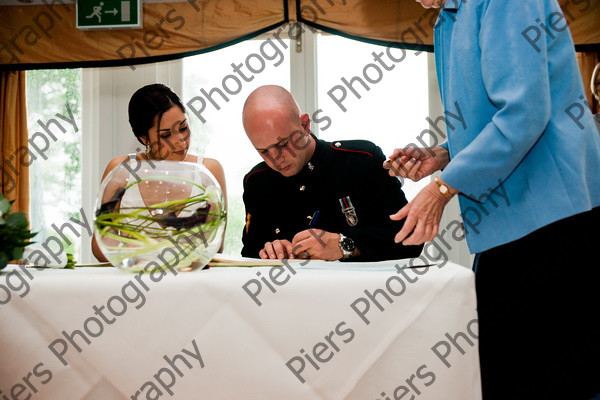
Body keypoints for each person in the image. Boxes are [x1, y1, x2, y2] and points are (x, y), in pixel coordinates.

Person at [384, 1, 600, 399]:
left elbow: (523, 114)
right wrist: (444, 155)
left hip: (552, 216)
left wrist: (442, 189)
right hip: (508, 222)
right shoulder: (449, 18)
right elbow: (491, 119)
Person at [241, 85, 422, 261]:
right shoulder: (256, 182)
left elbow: (411, 238)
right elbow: (249, 255)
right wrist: (269, 251)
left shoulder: (361, 160)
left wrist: (346, 246)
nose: (276, 159)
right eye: (263, 151)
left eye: (283, 145)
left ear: (304, 125)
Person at [92, 83, 227, 262]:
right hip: (131, 280)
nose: (180, 141)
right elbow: (100, 248)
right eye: (166, 135)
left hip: (192, 283)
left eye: (183, 128)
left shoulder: (209, 170)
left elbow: (216, 246)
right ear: (143, 138)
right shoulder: (121, 170)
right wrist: (132, 251)